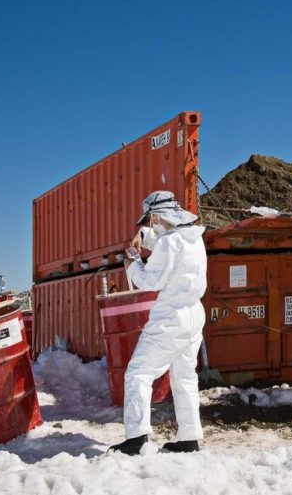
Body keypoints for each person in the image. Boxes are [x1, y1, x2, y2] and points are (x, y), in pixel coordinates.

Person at [109, 190, 207, 456]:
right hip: (194, 314)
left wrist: (131, 264)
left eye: (150, 220)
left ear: (157, 215)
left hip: (170, 317)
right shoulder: (194, 238)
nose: (150, 224)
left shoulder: (168, 243)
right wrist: (142, 236)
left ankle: (136, 437)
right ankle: (189, 437)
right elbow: (165, 238)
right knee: (185, 377)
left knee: (138, 373)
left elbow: (152, 281)